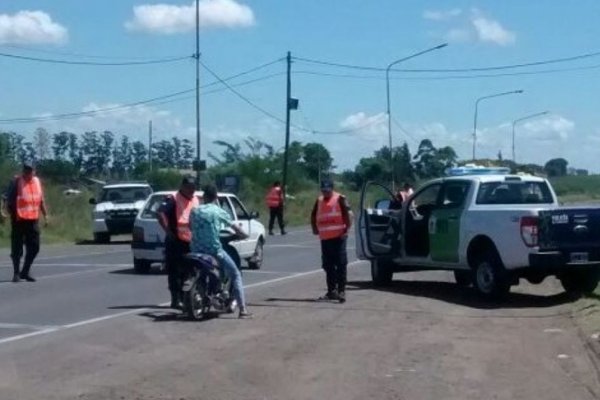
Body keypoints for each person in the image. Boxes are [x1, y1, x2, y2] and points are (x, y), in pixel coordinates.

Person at [190, 184, 253, 319]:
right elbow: (235, 227)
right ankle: (243, 310)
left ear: (204, 197)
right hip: (214, 250)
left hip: (195, 250)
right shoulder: (218, 211)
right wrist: (245, 235)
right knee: (235, 273)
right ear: (216, 197)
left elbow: (192, 228)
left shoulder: (194, 211)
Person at [157, 175, 199, 309]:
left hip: (190, 241)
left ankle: (187, 298)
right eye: (189, 188)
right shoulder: (173, 198)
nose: (191, 191)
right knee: (175, 271)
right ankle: (176, 300)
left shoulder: (195, 199)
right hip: (175, 241)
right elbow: (160, 213)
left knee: (190, 271)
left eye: (193, 188)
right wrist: (168, 231)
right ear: (182, 186)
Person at [311, 179, 353, 303]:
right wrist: (314, 228)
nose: (325, 193)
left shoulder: (340, 198)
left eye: (327, 191)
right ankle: (331, 291)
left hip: (339, 237)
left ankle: (341, 291)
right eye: (323, 190)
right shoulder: (319, 201)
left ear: (332, 189)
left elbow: (349, 214)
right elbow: (313, 215)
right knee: (327, 265)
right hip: (325, 238)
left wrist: (347, 231)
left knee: (340, 264)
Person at [5, 163, 48, 283]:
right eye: (26, 171)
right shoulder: (16, 182)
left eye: (31, 171)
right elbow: (8, 200)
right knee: (17, 248)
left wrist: (46, 215)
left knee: (34, 247)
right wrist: (8, 212)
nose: (29, 173)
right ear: (23, 171)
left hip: (33, 219)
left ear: (34, 172)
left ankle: (25, 270)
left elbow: (41, 200)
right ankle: (16, 273)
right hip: (18, 219)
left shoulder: (36, 182)